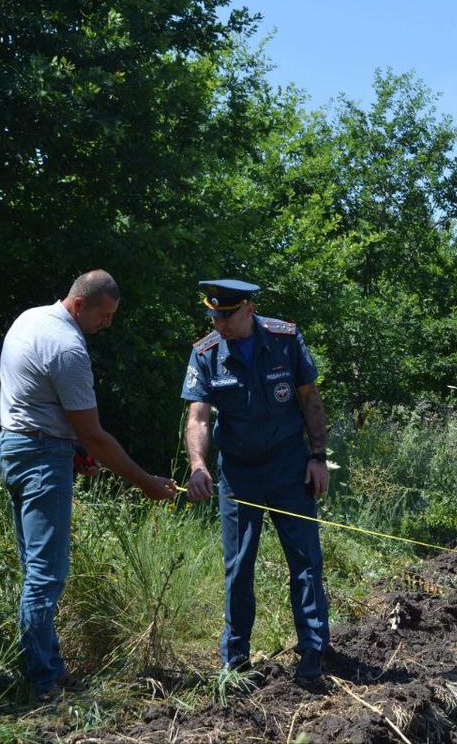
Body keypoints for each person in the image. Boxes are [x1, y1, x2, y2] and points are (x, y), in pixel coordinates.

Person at [0, 270, 176, 699]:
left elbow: (35, 402)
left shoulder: (29, 319)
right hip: (41, 459)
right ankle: (43, 682)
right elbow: (95, 435)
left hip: (15, 448)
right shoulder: (69, 348)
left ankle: (51, 668)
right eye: (105, 315)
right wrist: (146, 483)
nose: (107, 324)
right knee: (46, 576)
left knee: (35, 571)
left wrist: (72, 451)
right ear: (80, 305)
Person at [179, 279, 330, 683]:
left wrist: (318, 458)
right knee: (238, 565)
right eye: (213, 315)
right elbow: (198, 417)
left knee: (304, 561)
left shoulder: (285, 338)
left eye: (225, 315)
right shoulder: (206, 353)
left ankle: (314, 649)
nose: (219, 323)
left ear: (248, 308)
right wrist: (198, 464)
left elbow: (310, 400)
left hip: (289, 468)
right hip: (239, 475)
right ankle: (235, 660)